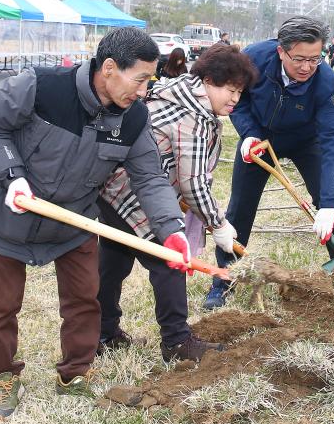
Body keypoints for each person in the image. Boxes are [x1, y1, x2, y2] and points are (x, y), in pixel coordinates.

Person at [0, 27, 186, 420]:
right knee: (2, 305)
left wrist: (172, 229)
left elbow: (150, 178)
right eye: (139, 79)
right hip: (12, 213)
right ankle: (2, 375)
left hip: (76, 222)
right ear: (110, 68)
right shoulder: (40, 87)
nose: (143, 92)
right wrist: (11, 175)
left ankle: (76, 372)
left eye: (149, 81)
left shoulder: (134, 119)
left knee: (85, 300)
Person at [98, 44, 258, 362]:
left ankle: (103, 331)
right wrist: (219, 224)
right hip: (134, 191)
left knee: (113, 262)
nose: (235, 99)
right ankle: (177, 342)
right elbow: (193, 183)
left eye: (240, 92)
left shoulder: (179, 92)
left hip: (113, 187)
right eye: (230, 90)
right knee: (170, 260)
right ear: (208, 80)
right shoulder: (194, 117)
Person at [204, 16, 334, 309]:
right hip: (259, 137)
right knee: (240, 207)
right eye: (299, 59)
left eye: (315, 59)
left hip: (306, 140)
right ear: (281, 51)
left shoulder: (327, 83)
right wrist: (249, 133)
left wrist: (331, 203)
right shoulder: (254, 59)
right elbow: (238, 98)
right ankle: (224, 279)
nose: (307, 67)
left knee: (331, 203)